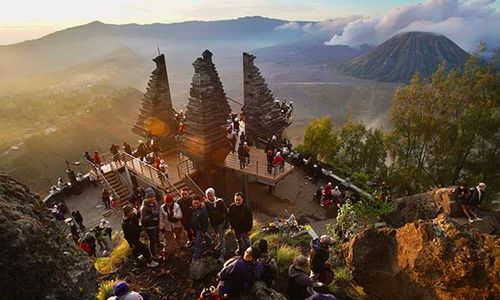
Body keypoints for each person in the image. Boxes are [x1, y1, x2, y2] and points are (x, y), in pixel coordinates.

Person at [205, 188, 228, 262]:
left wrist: (226, 223)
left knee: (222, 237)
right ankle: (219, 244)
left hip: (221, 222)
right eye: (208, 196)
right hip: (213, 223)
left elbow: (226, 212)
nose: (209, 197)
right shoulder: (207, 203)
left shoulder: (219, 202)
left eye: (210, 195)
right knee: (217, 235)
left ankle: (223, 253)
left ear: (213, 194)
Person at [159, 193, 183, 261]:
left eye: (170, 202)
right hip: (168, 226)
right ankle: (166, 253)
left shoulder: (176, 206)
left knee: (178, 237)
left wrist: (173, 214)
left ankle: (178, 250)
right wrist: (161, 227)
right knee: (168, 240)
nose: (169, 203)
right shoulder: (162, 208)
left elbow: (180, 215)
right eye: (167, 202)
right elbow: (161, 218)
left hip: (176, 225)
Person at [191, 195, 213, 260]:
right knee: (204, 236)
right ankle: (210, 241)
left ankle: (195, 257)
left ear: (200, 202)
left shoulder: (203, 211)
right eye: (194, 203)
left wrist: (203, 231)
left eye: (197, 203)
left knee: (198, 243)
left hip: (200, 229)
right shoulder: (193, 209)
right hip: (196, 228)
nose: (195, 205)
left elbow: (205, 222)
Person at [140, 187, 160, 258]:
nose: (152, 199)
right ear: (147, 198)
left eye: (153, 197)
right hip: (149, 227)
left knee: (157, 239)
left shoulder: (155, 203)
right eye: (150, 197)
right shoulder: (144, 207)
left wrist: (157, 213)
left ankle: (158, 251)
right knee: (152, 241)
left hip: (156, 224)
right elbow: (143, 219)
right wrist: (152, 215)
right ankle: (153, 255)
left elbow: (158, 210)